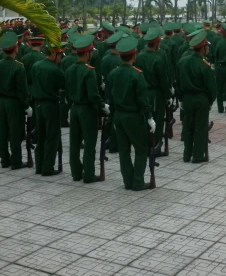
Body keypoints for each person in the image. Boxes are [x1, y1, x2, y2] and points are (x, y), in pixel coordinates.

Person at [106, 37, 152, 190]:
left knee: (124, 151)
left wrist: (112, 116)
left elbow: (110, 97)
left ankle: (128, 181)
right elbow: (143, 99)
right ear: (134, 55)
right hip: (133, 116)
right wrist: (150, 117)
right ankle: (137, 181)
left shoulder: (113, 73)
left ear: (120, 56)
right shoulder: (137, 74)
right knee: (140, 149)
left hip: (118, 115)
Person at [66, 35, 109, 183]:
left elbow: (67, 91)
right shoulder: (89, 71)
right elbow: (92, 94)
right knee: (89, 143)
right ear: (86, 54)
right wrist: (103, 105)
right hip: (87, 110)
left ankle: (76, 173)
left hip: (74, 108)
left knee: (75, 143)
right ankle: (89, 174)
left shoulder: (70, 69)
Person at [0, 31, 31, 169]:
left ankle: (4, 159)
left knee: (2, 131)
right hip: (14, 103)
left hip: (1, 102)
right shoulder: (18, 67)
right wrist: (26, 106)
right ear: (16, 48)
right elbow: (22, 90)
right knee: (15, 132)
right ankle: (16, 160)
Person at [178, 31, 216, 162]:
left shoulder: (182, 61)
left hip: (187, 98)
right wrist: (210, 101)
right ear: (203, 48)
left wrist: (180, 98)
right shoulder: (204, 65)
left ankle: (187, 154)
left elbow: (178, 81)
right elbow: (211, 87)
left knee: (187, 126)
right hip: (201, 99)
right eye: (207, 47)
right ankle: (198, 155)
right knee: (200, 128)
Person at [31, 41, 67, 176]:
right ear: (53, 54)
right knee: (52, 136)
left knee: (40, 136)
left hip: (38, 105)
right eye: (59, 55)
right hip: (51, 105)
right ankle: (47, 167)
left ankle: (39, 166)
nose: (61, 58)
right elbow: (63, 85)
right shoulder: (55, 69)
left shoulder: (36, 66)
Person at [135, 28, 171, 155]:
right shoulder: (158, 59)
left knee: (144, 119)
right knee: (157, 120)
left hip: (142, 92)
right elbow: (163, 80)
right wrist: (168, 96)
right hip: (155, 94)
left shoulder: (139, 56)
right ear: (156, 44)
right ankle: (155, 147)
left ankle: (145, 146)